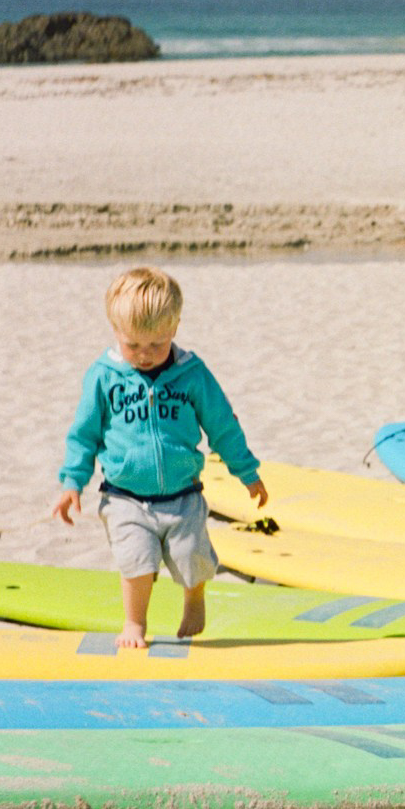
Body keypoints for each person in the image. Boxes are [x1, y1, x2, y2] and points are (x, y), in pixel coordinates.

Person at [52, 266, 267, 651]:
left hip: (184, 496)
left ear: (176, 327)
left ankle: (194, 598)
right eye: (134, 345)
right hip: (124, 497)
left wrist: (246, 472)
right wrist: (72, 483)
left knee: (192, 560)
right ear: (115, 330)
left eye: (158, 343)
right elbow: (83, 435)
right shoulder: (103, 377)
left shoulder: (192, 375)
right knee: (137, 563)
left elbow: (223, 426)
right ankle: (135, 623)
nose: (146, 355)